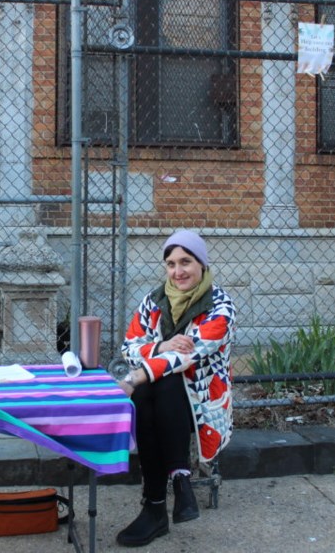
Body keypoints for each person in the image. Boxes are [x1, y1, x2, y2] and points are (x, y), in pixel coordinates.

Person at [114, 229, 235, 547]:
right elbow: (128, 347)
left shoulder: (221, 307)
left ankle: (154, 507)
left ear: (202, 264)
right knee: (156, 389)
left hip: (201, 397)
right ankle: (180, 480)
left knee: (155, 386)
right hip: (160, 399)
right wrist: (163, 344)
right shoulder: (153, 301)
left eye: (186, 262)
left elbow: (188, 357)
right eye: (170, 263)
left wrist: (134, 377)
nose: (177, 271)